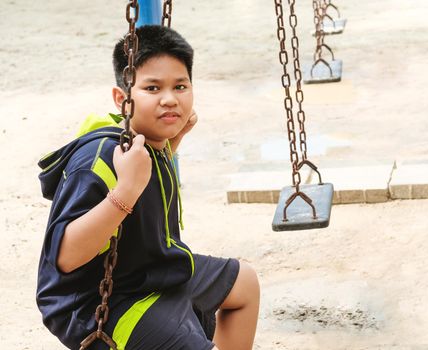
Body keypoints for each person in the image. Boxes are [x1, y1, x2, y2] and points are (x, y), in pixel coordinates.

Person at [36, 25, 260, 350]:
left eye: (180, 86)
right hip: (102, 303)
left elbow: (149, 187)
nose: (169, 99)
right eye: (153, 88)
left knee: (244, 283)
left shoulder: (148, 143)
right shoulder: (99, 160)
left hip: (149, 270)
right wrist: (124, 193)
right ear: (121, 98)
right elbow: (66, 257)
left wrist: (172, 141)